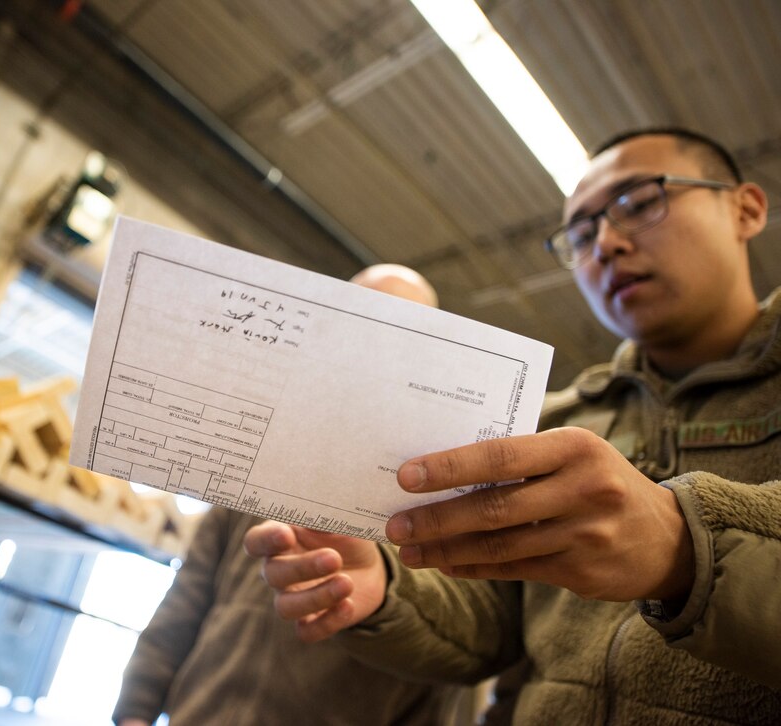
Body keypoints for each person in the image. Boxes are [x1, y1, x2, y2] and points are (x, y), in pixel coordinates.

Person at [244, 128, 781, 723]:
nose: (605, 243)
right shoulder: (553, 421)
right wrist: (385, 591)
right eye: (580, 233)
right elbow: (493, 621)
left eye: (638, 204)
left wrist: (687, 551)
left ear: (746, 208)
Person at [113, 267, 476, 726]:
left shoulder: (444, 509)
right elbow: (185, 602)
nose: (377, 348)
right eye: (360, 324)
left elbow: (451, 666)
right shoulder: (257, 461)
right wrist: (134, 712)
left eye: (404, 333)